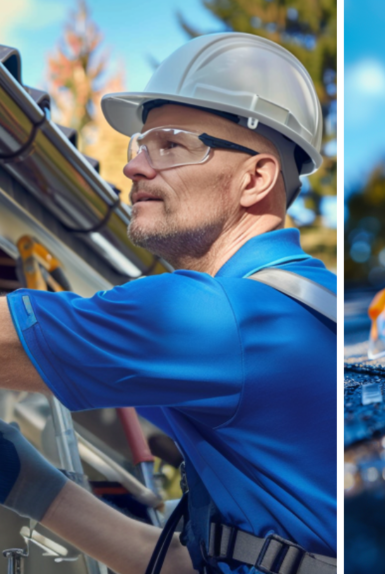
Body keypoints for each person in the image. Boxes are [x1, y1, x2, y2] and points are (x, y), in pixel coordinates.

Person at [0, 32, 336, 574]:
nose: (134, 167)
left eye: (172, 145)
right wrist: (30, 483)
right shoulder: (309, 304)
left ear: (255, 177)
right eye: (142, 145)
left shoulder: (218, 315)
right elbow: (191, 564)